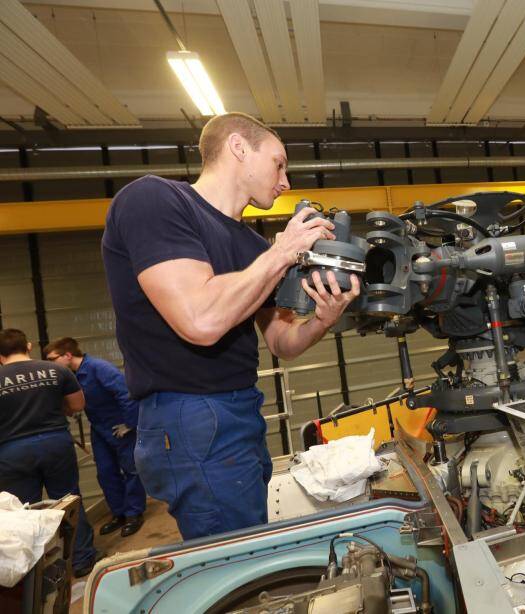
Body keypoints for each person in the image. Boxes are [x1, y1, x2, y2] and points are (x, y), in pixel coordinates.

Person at [102, 112, 360, 540]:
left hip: (241, 410)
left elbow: (281, 341)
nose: (285, 183)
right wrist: (283, 254)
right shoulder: (155, 200)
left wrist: (322, 319)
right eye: (279, 164)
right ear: (239, 148)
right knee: (235, 562)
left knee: (247, 539)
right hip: (190, 412)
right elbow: (200, 321)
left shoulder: (252, 246)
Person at [0, 328, 99, 577]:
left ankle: (38, 574)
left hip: (12, 450)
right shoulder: (57, 370)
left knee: (24, 512)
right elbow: (77, 404)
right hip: (55, 443)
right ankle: (82, 561)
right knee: (68, 500)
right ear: (29, 346)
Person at [45, 337, 146, 537]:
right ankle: (119, 513)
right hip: (99, 428)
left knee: (130, 470)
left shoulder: (99, 368)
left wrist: (130, 423)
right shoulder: (72, 375)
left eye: (52, 358)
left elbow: (125, 394)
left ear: (67, 355)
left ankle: (135, 513)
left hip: (119, 425)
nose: (49, 363)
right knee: (106, 472)